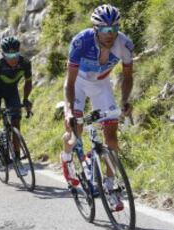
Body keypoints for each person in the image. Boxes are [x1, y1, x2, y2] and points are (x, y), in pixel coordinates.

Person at [61, 4, 134, 211]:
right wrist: (68, 111)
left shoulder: (124, 44)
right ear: (95, 29)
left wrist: (125, 101)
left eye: (114, 29)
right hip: (78, 85)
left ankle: (110, 187)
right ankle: (66, 158)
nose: (110, 34)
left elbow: (128, 77)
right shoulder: (80, 42)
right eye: (104, 30)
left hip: (102, 85)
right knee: (75, 131)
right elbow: (69, 82)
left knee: (111, 138)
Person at [0, 36, 32, 175]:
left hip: (12, 91)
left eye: (16, 54)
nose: (13, 58)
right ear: (3, 54)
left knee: (16, 123)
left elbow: (28, 82)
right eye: (9, 55)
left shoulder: (25, 63)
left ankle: (16, 159)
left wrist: (26, 99)